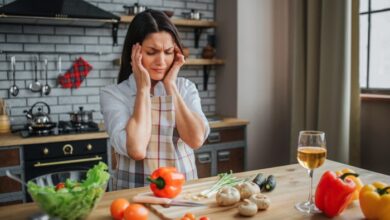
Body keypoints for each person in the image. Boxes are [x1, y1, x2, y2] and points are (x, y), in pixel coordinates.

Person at [100, 9, 210, 189]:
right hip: (134, 197)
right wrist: (143, 88)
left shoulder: (185, 88)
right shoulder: (114, 95)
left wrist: (171, 86)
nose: (161, 61)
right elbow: (136, 150)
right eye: (152, 52)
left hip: (183, 192)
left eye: (168, 52)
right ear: (134, 53)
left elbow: (196, 140)